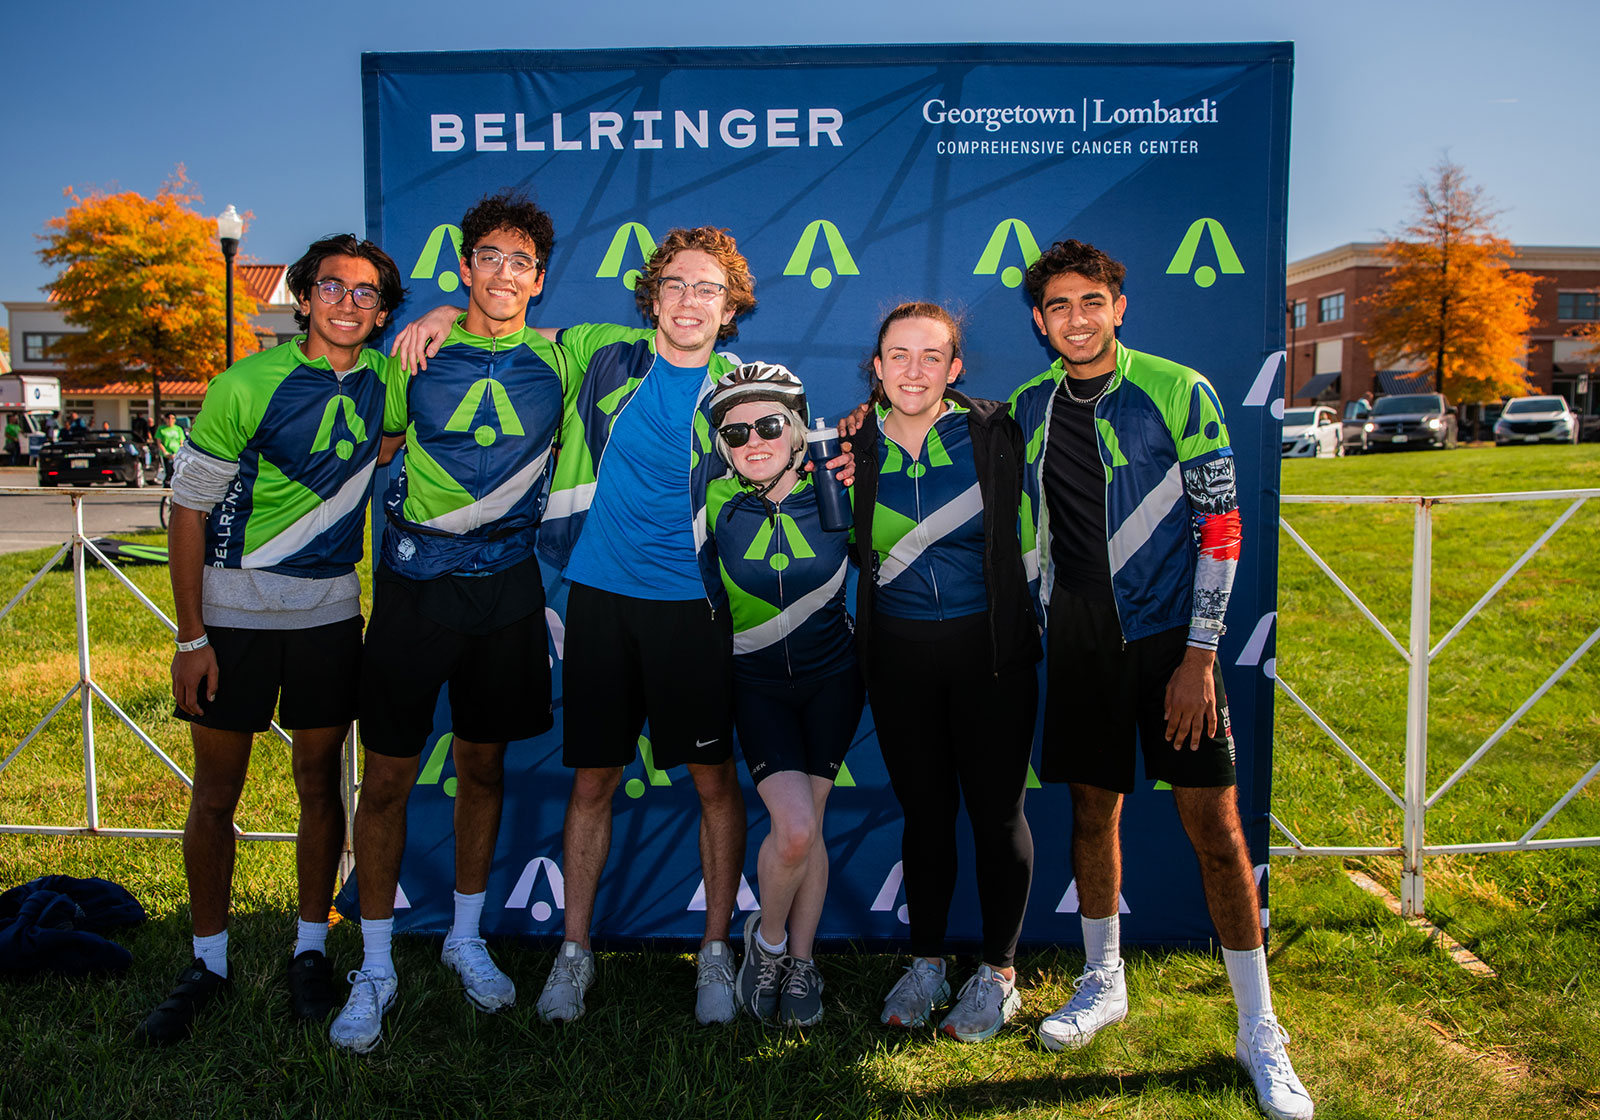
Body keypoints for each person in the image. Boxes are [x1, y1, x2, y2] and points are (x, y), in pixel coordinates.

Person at [396, 226, 853, 1026]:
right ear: (652, 297)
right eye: (675, 284)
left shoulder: (743, 390)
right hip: (601, 602)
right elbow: (509, 326)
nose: (689, 300)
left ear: (731, 306)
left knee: (713, 783)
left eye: (707, 288)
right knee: (593, 782)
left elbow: (802, 463)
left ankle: (716, 952)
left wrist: (842, 457)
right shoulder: (603, 351)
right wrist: (441, 314)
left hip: (698, 611)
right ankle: (574, 954)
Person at [1007, 240, 1312, 1120]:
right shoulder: (1029, 405)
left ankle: (1259, 1028)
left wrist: (1201, 658)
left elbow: (1222, 527)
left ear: (1119, 306)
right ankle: (1105, 981)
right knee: (1091, 815)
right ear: (1041, 321)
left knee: (1214, 828)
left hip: (1174, 647)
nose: (1076, 319)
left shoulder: (1179, 389)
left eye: (1091, 301)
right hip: (1080, 646)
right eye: (1058, 306)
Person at [135, 234, 406, 1045]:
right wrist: (191, 638)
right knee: (217, 792)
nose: (347, 303)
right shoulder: (244, 384)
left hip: (329, 616)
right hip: (234, 619)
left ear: (383, 312)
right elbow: (188, 512)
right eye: (332, 286)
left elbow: (389, 444)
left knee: (320, 786)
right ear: (304, 296)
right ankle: (207, 964)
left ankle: (310, 951)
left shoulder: (391, 382)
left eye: (365, 293)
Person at [329, 191, 571, 1054]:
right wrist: (431, 319)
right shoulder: (414, 352)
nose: (504, 273)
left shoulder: (563, 359)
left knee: (483, 767)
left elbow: (667, 346)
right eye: (489, 258)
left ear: (539, 281)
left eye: (521, 262)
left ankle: (466, 938)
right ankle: (375, 963)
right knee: (388, 776)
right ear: (465, 267)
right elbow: (380, 447)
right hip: (414, 587)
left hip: (506, 589)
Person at [849, 302, 1041, 1043]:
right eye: (898, 355)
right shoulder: (851, 444)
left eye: (931, 356)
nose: (914, 370)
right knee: (925, 814)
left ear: (954, 369)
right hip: (899, 661)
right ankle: (926, 961)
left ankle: (998, 973)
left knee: (997, 815)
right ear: (877, 368)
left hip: (990, 656)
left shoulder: (995, 432)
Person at [705, 362, 863, 1028]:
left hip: (833, 682)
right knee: (794, 829)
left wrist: (861, 440)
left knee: (810, 828)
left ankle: (802, 963)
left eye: (769, 425)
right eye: (735, 433)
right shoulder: (712, 500)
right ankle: (766, 946)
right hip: (757, 685)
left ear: (797, 429)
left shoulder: (840, 483)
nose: (753, 441)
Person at [155, 413, 186, 485]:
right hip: (165, 454)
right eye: (168, 418)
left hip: (176, 454)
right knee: (167, 472)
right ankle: (165, 486)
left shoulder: (178, 429)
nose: (170, 420)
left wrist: (177, 453)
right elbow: (159, 442)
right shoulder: (161, 429)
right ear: (165, 419)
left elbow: (181, 442)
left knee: (176, 471)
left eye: (173, 418)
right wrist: (166, 453)